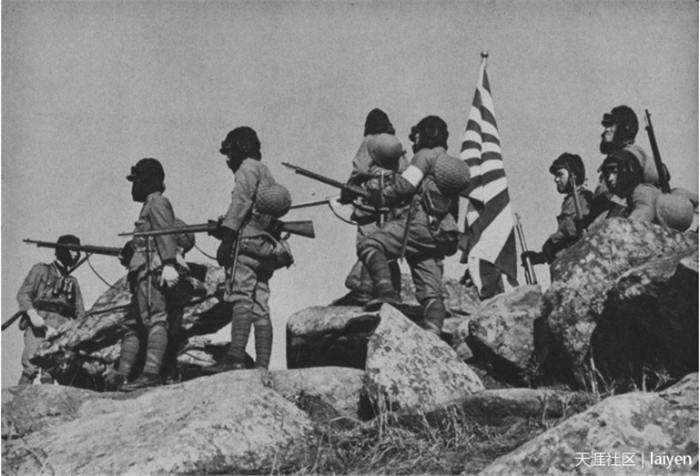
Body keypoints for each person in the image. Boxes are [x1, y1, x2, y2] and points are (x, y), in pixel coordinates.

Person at [357, 115, 467, 336]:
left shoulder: (425, 156)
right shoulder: (451, 169)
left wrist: (381, 196)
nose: (414, 140)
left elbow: (406, 185)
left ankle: (387, 291)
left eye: (416, 135)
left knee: (369, 245)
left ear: (429, 134)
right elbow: (453, 209)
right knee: (432, 293)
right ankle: (433, 336)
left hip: (417, 226)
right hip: (440, 234)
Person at [200, 126, 292, 374]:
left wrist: (226, 240)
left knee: (241, 297)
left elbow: (241, 203)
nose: (228, 159)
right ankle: (262, 366)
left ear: (241, 148)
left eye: (229, 152)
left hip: (246, 245)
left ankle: (235, 357)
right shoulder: (264, 170)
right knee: (261, 304)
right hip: (266, 248)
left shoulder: (246, 169)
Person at [111, 158, 190, 392]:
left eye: (135, 181)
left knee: (155, 318)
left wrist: (168, 264)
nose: (133, 186)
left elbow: (165, 234)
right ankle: (121, 376)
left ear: (145, 181)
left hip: (150, 272)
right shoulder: (149, 204)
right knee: (132, 324)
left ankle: (151, 374)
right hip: (140, 273)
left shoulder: (158, 202)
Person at [332, 108, 407, 306]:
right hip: (393, 200)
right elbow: (405, 170)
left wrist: (349, 189)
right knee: (386, 245)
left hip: (371, 201)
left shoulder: (370, 142)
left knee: (367, 243)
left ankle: (365, 290)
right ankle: (391, 290)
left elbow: (359, 169)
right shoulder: (397, 146)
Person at [16, 234, 85, 385]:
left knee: (51, 372)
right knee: (30, 368)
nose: (76, 254)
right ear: (63, 250)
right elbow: (24, 294)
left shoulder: (72, 282)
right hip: (39, 325)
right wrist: (32, 315)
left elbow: (80, 312)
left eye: (78, 251)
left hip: (61, 329)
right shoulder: (41, 270)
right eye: (73, 250)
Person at [590, 105, 661, 222]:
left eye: (611, 125)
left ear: (625, 128)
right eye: (606, 126)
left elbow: (620, 199)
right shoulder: (619, 156)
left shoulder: (627, 156)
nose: (606, 130)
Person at [521, 153, 593, 266]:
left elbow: (576, 236)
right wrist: (542, 256)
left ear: (573, 175)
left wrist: (551, 245)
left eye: (560, 174)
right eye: (555, 176)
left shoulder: (583, 200)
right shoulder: (569, 202)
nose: (556, 179)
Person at [599, 148, 695, 231]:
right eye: (608, 174)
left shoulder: (642, 192)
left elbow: (635, 224)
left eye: (615, 172)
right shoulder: (638, 192)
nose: (610, 178)